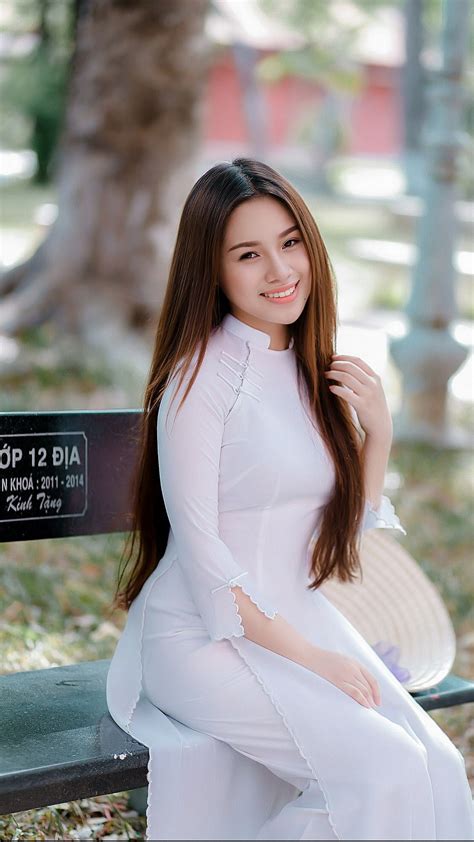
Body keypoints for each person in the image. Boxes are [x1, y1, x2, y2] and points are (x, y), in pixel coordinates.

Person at [106, 158, 473, 840]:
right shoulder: (197, 381)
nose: (280, 271)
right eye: (249, 254)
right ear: (211, 270)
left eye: (290, 242)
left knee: (439, 766)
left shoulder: (307, 368)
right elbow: (203, 558)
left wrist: (379, 430)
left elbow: (335, 538)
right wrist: (317, 660)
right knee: (386, 768)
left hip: (300, 621)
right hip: (201, 637)